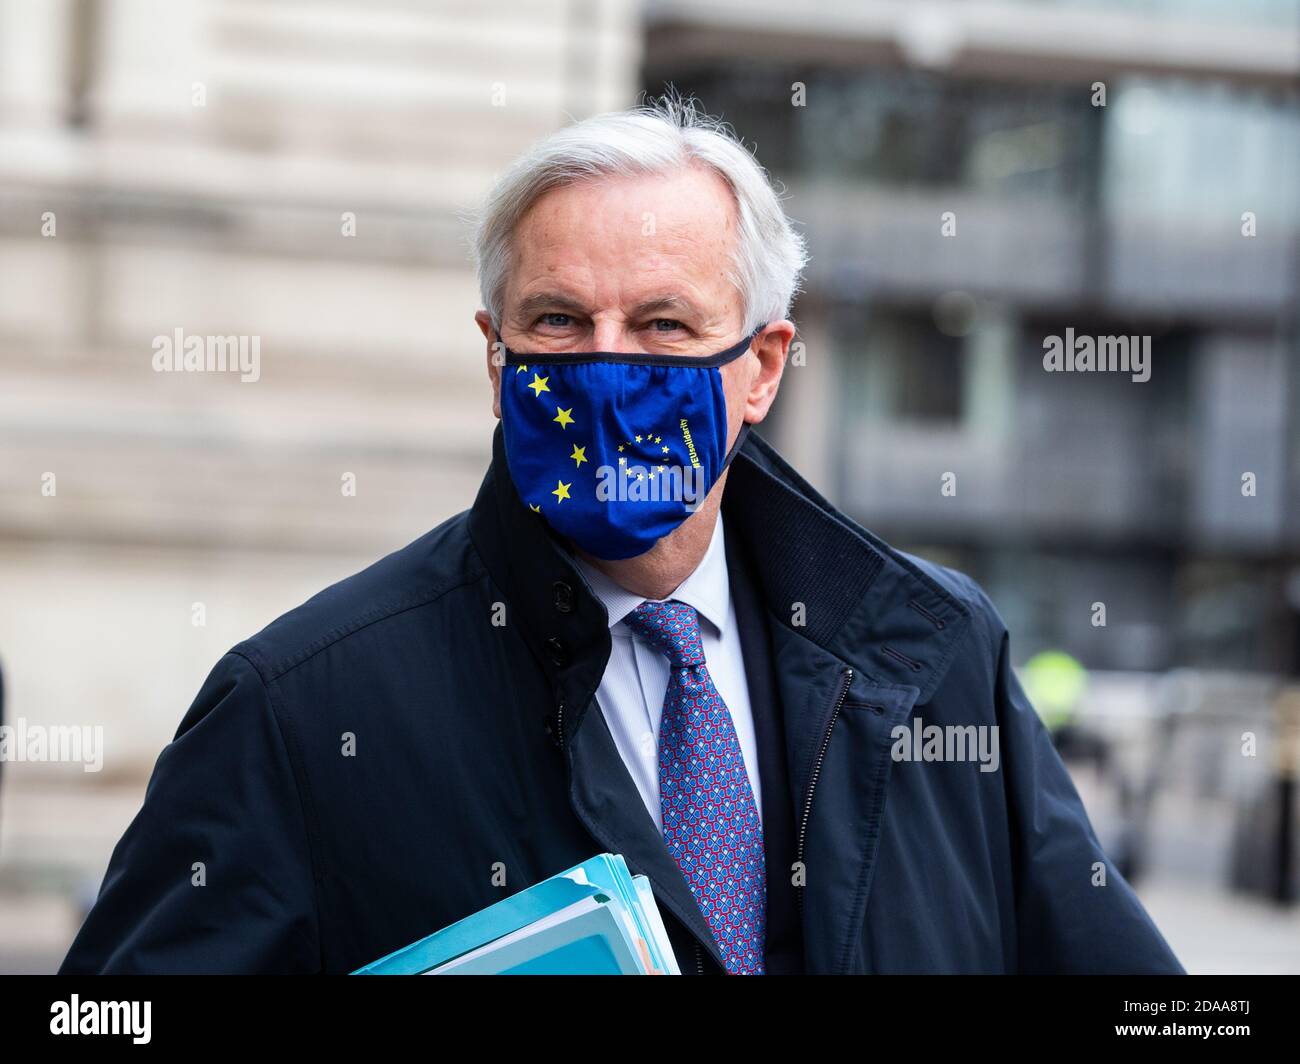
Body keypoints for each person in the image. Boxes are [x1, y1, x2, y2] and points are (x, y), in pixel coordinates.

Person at [61, 95, 1182, 975]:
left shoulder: (937, 657)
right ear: (494, 356)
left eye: (662, 324)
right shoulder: (302, 707)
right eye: (558, 321)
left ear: (761, 366)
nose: (603, 368)